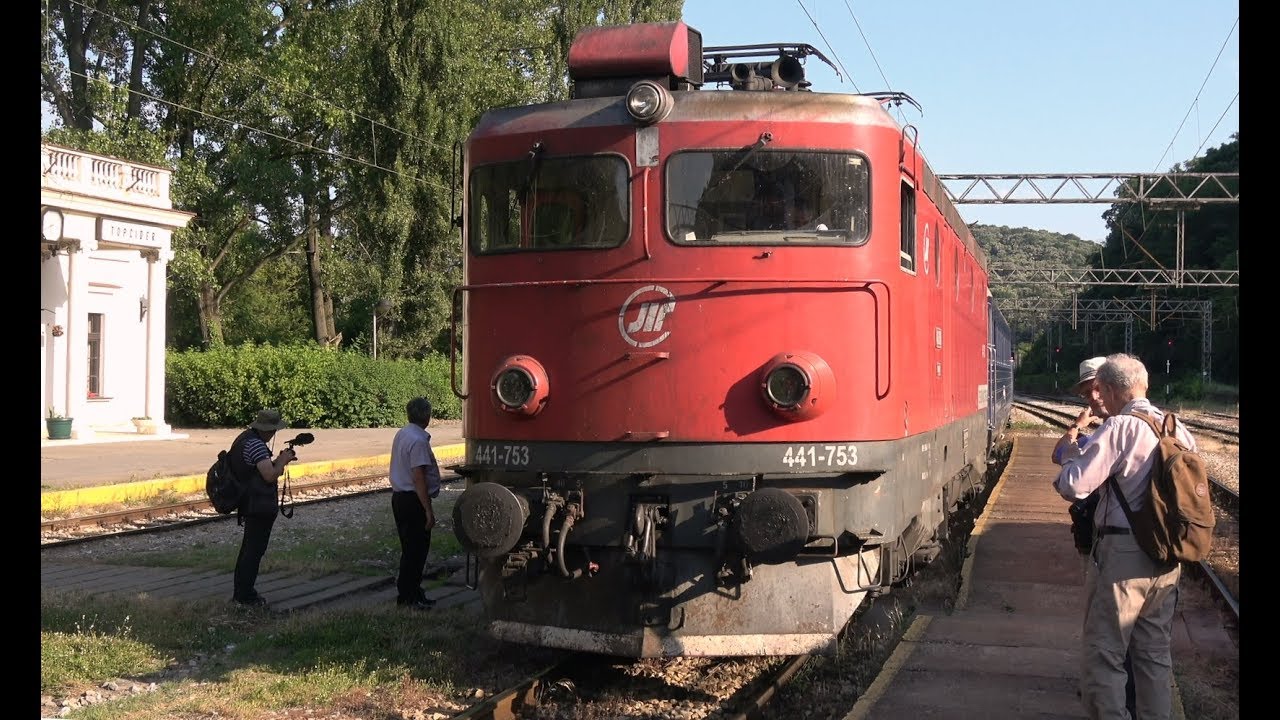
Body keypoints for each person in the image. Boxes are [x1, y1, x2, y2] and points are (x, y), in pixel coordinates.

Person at [1052, 354, 1195, 720]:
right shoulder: (1176, 428)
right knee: (1153, 655)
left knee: (1104, 653)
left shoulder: (1120, 427)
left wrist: (1070, 456)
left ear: (1112, 390)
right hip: (1167, 555)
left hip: (1123, 556)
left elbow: (1073, 486)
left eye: (1101, 390)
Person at [229, 408, 298, 606]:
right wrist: (282, 461)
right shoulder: (257, 446)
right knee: (254, 551)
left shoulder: (245, 439)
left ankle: (241, 593)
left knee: (248, 549)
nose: (274, 434)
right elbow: (269, 475)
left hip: (249, 501)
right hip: (258, 504)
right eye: (274, 430)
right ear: (268, 429)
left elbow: (258, 469)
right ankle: (245, 596)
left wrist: (277, 462)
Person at [389, 397, 443, 610]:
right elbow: (418, 476)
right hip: (413, 500)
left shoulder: (402, 433)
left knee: (409, 549)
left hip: (400, 498)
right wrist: (428, 510)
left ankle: (413, 592)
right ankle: (408, 597)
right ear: (427, 416)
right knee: (416, 551)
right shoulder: (419, 441)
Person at [1052, 357, 1109, 465]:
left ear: (1114, 388)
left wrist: (1077, 425)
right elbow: (1057, 455)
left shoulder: (1095, 441)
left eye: (1099, 388)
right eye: (1087, 393)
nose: (1093, 397)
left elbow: (1057, 454)